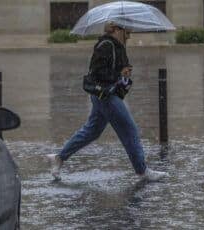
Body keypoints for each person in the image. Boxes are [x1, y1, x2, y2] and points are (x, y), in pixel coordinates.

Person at [47, 22, 168, 182]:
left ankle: (59, 158)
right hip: (105, 95)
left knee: (92, 131)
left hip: (106, 94)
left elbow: (121, 71)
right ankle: (142, 170)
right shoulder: (105, 45)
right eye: (127, 31)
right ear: (117, 29)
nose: (130, 35)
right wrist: (118, 74)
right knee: (129, 129)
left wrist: (125, 72)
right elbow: (98, 72)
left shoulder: (119, 46)